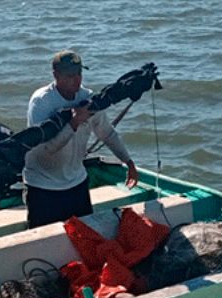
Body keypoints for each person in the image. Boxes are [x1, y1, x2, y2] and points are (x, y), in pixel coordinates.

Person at [22, 50, 139, 228]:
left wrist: (128, 162)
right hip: (43, 187)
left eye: (79, 73)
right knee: (45, 241)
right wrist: (74, 122)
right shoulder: (41, 102)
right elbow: (46, 150)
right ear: (56, 75)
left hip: (77, 184)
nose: (77, 80)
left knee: (85, 238)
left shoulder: (87, 97)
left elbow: (107, 133)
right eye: (70, 76)